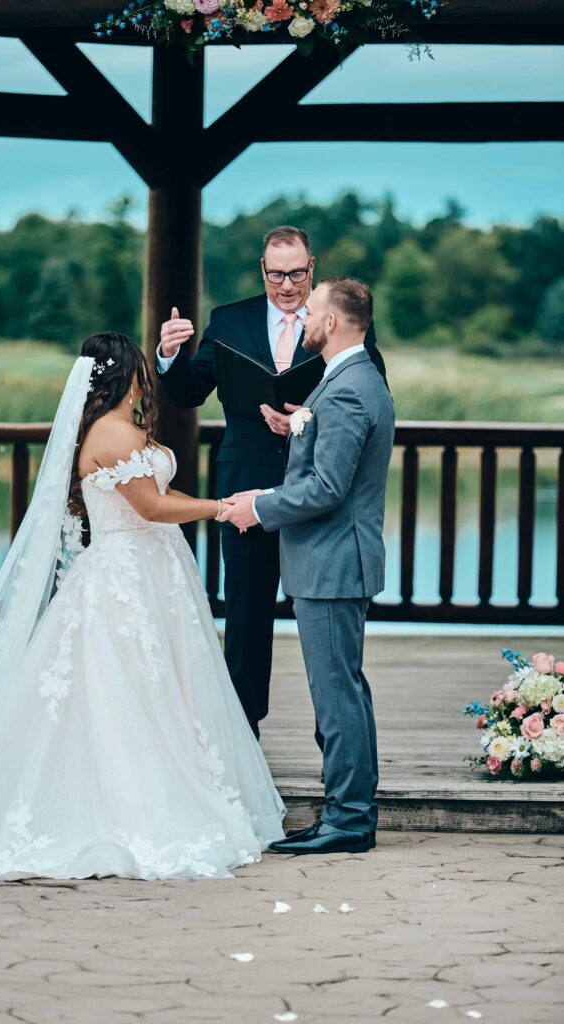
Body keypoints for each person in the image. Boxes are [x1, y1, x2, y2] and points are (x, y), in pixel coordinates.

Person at [0, 332, 285, 882]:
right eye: (142, 369)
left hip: (152, 574)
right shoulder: (113, 432)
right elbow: (150, 506)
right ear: (127, 374)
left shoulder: (126, 427)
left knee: (160, 688)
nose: (148, 381)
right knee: (125, 691)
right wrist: (223, 507)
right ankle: (129, 808)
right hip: (125, 578)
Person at [156, 226, 386, 740]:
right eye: (277, 273)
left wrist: (309, 419)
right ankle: (243, 735)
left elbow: (370, 393)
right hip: (245, 489)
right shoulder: (229, 321)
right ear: (262, 269)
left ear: (313, 266)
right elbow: (191, 392)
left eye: (298, 273)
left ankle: (333, 736)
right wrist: (170, 359)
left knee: (324, 626)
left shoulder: (339, 323)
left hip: (316, 491)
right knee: (246, 615)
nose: (287, 285)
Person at [221, 278, 394, 855]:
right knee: (346, 690)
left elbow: (326, 488)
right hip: (336, 560)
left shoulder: (345, 390)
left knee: (337, 696)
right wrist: (298, 424)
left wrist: (257, 505)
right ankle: (348, 812)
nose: (303, 320)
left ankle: (347, 820)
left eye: (312, 311)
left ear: (335, 323)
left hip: (332, 561)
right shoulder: (350, 378)